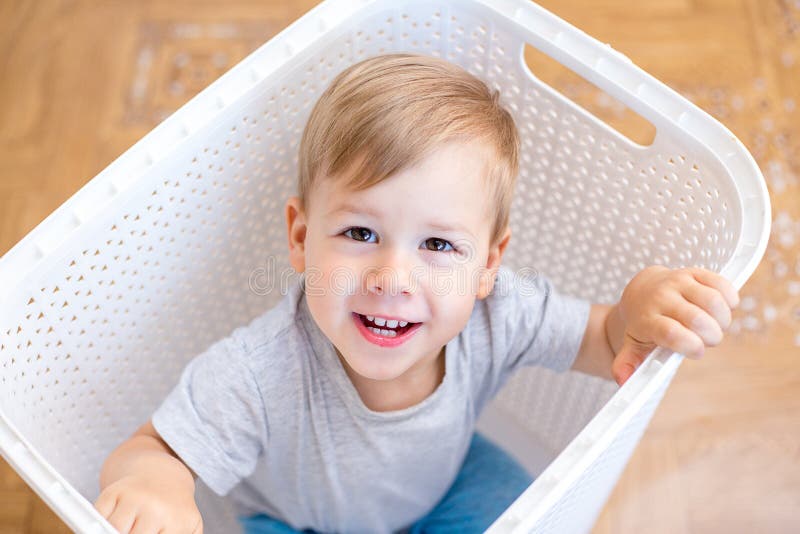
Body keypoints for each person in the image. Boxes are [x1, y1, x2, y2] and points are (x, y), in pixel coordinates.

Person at [93, 53, 740, 534]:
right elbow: (150, 448)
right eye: (359, 232)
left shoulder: (498, 313)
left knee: (523, 502)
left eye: (437, 246)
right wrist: (156, 483)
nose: (392, 278)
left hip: (447, 487)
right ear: (300, 236)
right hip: (300, 523)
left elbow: (604, 342)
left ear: (489, 265)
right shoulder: (258, 374)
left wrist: (638, 308)